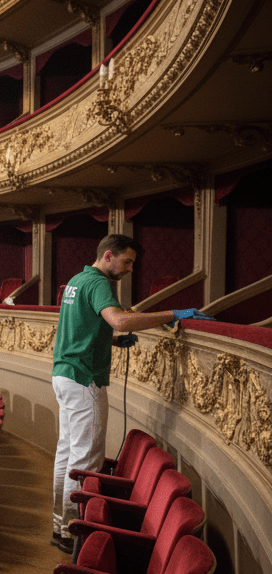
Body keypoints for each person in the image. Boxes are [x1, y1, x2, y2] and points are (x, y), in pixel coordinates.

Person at [51, 233, 215, 553]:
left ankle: (60, 525)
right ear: (108, 255)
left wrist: (109, 342)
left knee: (66, 455)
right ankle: (73, 531)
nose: (129, 269)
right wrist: (173, 314)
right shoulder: (99, 283)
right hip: (84, 379)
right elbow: (120, 320)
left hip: (64, 374)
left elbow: (81, 326)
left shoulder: (76, 280)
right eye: (126, 262)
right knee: (85, 459)